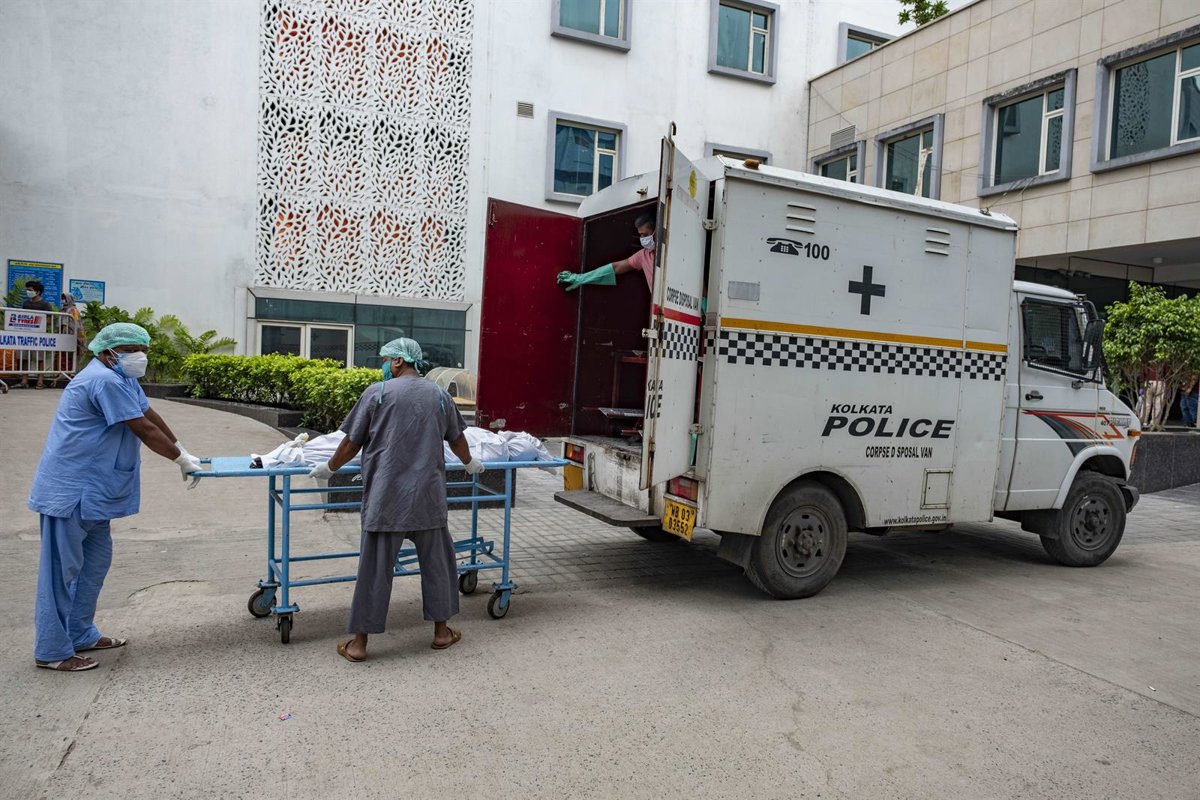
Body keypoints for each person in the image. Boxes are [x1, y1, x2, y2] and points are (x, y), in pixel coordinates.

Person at [28, 322, 204, 672]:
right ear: (108, 352)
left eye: (142, 351)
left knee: (94, 566)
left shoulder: (122, 378)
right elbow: (142, 428)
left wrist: (181, 447)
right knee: (60, 572)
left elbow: (149, 413)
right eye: (130, 351)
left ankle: (80, 632)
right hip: (71, 490)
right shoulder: (103, 380)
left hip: (95, 492)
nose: (139, 357)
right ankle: (51, 650)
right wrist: (179, 459)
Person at [311, 337, 484, 663]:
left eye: (386, 359)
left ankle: (359, 644)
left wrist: (329, 467)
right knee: (438, 566)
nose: (384, 364)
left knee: (374, 572)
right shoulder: (439, 396)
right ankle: (442, 633)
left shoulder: (377, 394)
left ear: (399, 361)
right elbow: (458, 439)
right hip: (427, 499)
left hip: (385, 500)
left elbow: (351, 443)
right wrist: (470, 463)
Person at [556, 211, 656, 292]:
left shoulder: (665, 255)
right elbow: (615, 267)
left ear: (656, 231)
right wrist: (581, 278)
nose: (642, 239)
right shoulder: (643, 255)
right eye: (640, 235)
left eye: (645, 235)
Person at [20, 280, 54, 389]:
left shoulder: (45, 305)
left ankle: (40, 381)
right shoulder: (26, 304)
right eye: (27, 290)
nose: (28, 292)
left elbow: (49, 320)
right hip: (26, 335)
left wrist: (37, 324)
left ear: (38, 292)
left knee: (40, 358)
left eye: (30, 290)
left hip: (39, 336)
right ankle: (24, 380)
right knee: (24, 358)